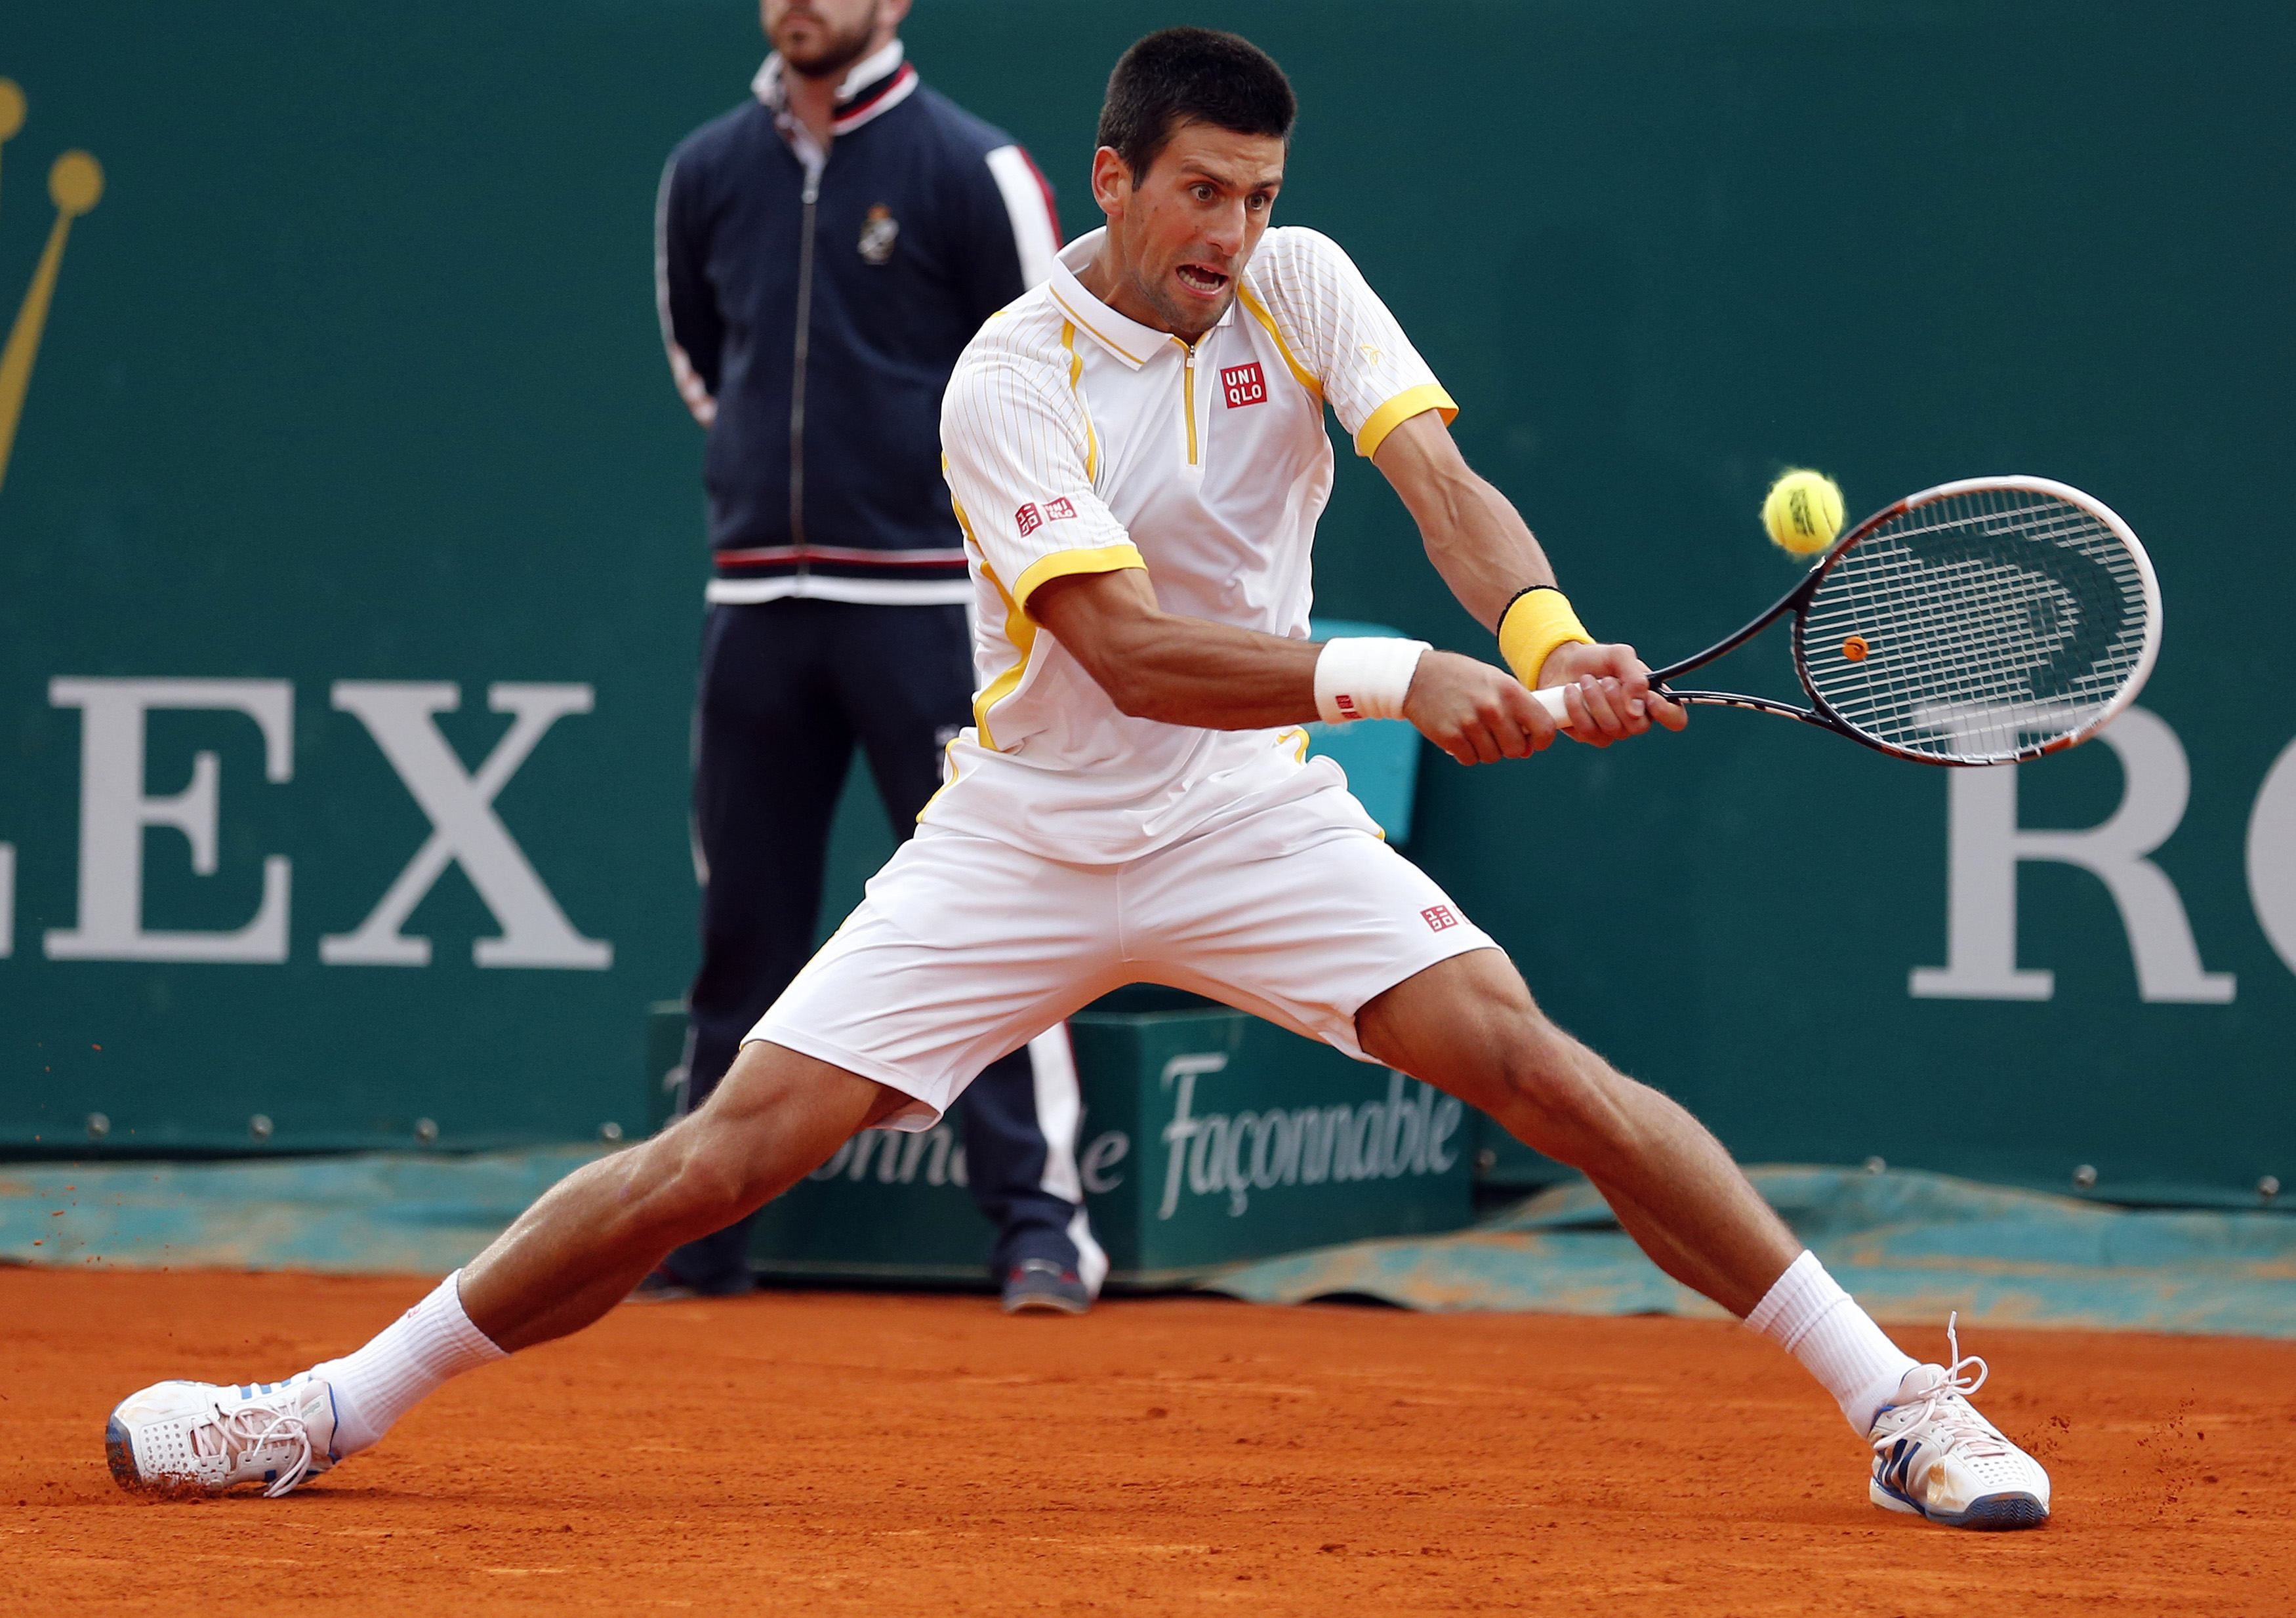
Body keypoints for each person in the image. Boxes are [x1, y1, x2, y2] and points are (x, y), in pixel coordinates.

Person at [104, 28, 2052, 1531]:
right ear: (1111, 178)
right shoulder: (1003, 374)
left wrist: (1539, 642)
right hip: (1027, 833)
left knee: (1552, 1076)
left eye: (1260, 194)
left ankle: (1897, 1403)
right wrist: (1396, 677)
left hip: (1253, 821)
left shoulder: (1305, 286)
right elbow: (1122, 651)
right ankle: (322, 1410)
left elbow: (1439, 487)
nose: (1231, 235)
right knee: (714, 1160)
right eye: (1199, 192)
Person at [649, 0, 1102, 1312]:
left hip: (931, 606)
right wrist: (769, 465)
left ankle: (1039, 1230)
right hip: (756, 600)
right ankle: (701, 1235)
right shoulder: (705, 170)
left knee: (1001, 918)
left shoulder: (971, 168)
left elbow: (1047, 369)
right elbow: (703, 360)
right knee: (743, 930)